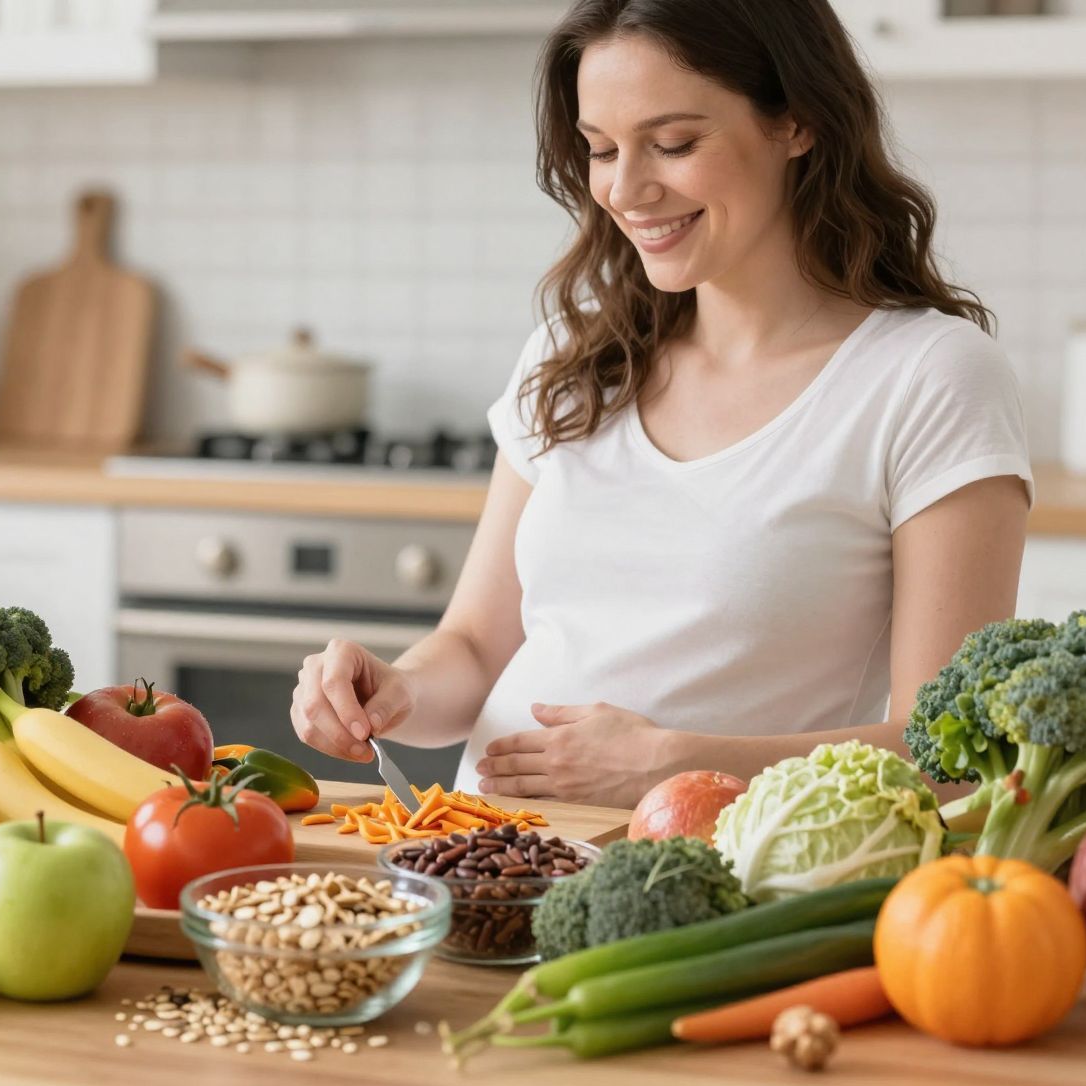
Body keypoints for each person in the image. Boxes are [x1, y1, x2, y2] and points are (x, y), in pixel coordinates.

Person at [290, 0, 1031, 808]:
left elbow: (952, 756)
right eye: (601, 150)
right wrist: (393, 690)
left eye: (673, 143)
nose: (626, 190)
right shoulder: (573, 358)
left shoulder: (929, 377)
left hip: (716, 883)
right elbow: (472, 649)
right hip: (480, 862)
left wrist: (677, 765)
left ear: (798, 121)